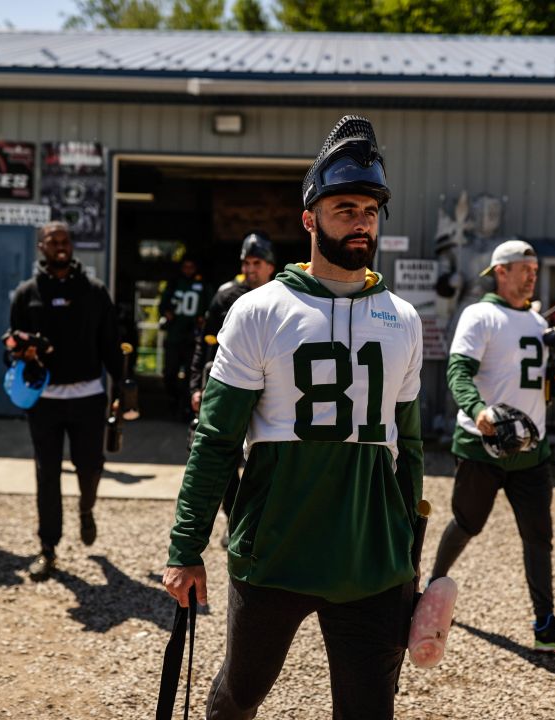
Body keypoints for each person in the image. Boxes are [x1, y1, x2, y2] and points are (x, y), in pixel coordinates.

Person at [163, 115, 424, 719]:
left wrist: (410, 555)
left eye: (369, 209)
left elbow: (407, 447)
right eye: (344, 209)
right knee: (237, 698)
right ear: (309, 219)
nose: (361, 221)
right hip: (276, 554)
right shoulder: (258, 311)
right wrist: (186, 546)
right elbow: (216, 439)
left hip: (374, 563)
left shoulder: (404, 320)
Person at [429, 239, 555, 653]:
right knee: (467, 523)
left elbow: (539, 384)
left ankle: (545, 624)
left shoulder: (539, 323)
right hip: (482, 444)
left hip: (531, 449)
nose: (532, 276)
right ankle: (431, 589)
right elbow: (457, 371)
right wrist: (477, 409)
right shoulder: (479, 315)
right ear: (501, 270)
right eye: (525, 269)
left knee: (539, 536)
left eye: (535, 270)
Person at [6, 221, 125, 580]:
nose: (60, 245)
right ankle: (48, 548)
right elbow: (10, 348)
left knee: (90, 466)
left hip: (88, 395)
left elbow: (111, 344)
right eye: (52, 241)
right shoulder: (27, 294)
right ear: (41, 247)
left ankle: (86, 509)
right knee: (47, 473)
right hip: (44, 399)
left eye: (65, 240)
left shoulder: (94, 291)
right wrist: (22, 354)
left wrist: (122, 389)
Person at [187, 232, 277, 548]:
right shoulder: (226, 296)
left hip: (269, 393)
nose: (251, 269)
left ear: (270, 266)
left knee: (258, 458)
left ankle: (255, 518)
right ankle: (234, 517)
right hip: (226, 389)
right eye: (246, 263)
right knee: (221, 458)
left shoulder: (284, 298)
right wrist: (197, 388)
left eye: (257, 262)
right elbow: (205, 345)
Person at [158, 256, 208, 420]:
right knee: (169, 374)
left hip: (192, 337)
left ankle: (185, 408)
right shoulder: (174, 283)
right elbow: (162, 305)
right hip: (174, 336)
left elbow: (211, 307)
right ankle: (174, 400)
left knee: (190, 374)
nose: (188, 270)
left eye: (191, 266)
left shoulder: (203, 284)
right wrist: (167, 313)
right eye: (185, 266)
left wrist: (203, 319)